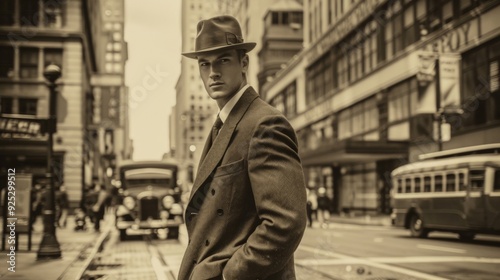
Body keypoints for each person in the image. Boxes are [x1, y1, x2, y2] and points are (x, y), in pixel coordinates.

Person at [178, 15, 307, 280]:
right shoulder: (224, 124)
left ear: (244, 62)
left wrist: (230, 274)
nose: (213, 72)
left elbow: (285, 223)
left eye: (223, 60)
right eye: (204, 64)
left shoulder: (264, 124)